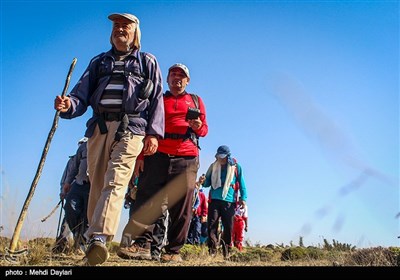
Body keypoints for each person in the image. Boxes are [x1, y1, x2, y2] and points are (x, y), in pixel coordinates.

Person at [54, 12, 164, 266]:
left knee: (115, 181)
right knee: (97, 183)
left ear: (136, 32)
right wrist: (68, 104)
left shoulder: (147, 61)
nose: (120, 29)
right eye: (116, 25)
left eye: (125, 25)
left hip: (132, 128)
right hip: (99, 128)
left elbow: (157, 98)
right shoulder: (98, 62)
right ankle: (92, 241)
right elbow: (80, 95)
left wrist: (154, 133)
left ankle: (100, 237)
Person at [117, 63, 208, 263]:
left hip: (187, 157)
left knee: (181, 207)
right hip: (156, 154)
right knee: (147, 200)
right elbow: (144, 127)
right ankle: (142, 245)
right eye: (173, 74)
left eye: (181, 75)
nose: (177, 78)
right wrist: (140, 157)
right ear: (167, 79)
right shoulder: (158, 99)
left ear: (187, 80)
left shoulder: (196, 100)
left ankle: (173, 251)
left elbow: (204, 131)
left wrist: (198, 126)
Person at [202, 145, 247, 258]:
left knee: (228, 227)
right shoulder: (213, 166)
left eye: (223, 157)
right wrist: (202, 181)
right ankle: (212, 250)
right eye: (218, 157)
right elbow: (207, 183)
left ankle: (226, 250)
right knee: (212, 224)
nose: (220, 159)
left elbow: (242, 184)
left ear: (228, 156)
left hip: (229, 201)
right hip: (214, 199)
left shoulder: (236, 167)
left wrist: (243, 198)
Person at [122, 174, 169, 261]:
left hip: (161, 194)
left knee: (159, 220)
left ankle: (155, 252)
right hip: (141, 192)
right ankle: (143, 247)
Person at [62, 137, 90, 254]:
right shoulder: (83, 148)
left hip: (94, 186)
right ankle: (76, 233)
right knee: (70, 206)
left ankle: (82, 243)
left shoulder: (103, 144)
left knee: (87, 215)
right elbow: (75, 166)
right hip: (78, 184)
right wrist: (67, 182)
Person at [52, 155, 75, 254]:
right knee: (68, 217)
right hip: (71, 192)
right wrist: (63, 191)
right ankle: (62, 243)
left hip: (84, 192)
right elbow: (65, 177)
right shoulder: (72, 160)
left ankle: (78, 245)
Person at [187, 174, 208, 245]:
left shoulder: (201, 195)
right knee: (189, 229)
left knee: (197, 230)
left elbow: (204, 206)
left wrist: (203, 215)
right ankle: (188, 243)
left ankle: (196, 244)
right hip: (190, 215)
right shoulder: (191, 194)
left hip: (198, 215)